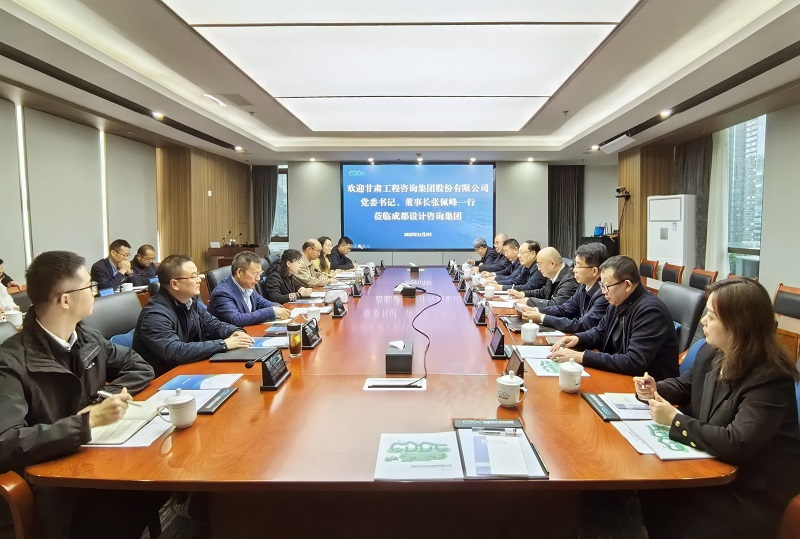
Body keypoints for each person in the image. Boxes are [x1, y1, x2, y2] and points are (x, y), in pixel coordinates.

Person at [0, 250, 162, 539]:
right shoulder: (10, 361)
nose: (94, 292)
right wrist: (87, 422)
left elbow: (138, 365)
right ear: (65, 300)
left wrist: (102, 399)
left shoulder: (86, 336)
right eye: (89, 286)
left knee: (160, 473)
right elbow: (7, 443)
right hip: (54, 483)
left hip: (94, 456)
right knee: (132, 500)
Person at [634, 278, 800, 539]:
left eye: (710, 316)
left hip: (745, 492)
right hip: (706, 467)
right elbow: (686, 385)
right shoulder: (712, 352)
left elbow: (738, 442)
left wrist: (675, 419)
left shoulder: (771, 378)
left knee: (661, 509)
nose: (702, 321)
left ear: (738, 325)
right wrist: (654, 388)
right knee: (639, 494)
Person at [549, 255, 679, 381]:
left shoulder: (650, 311)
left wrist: (581, 356)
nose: (603, 291)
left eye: (606, 286)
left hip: (649, 386)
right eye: (601, 285)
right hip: (623, 375)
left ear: (627, 285)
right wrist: (578, 338)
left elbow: (634, 362)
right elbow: (600, 332)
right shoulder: (617, 302)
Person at [132, 254, 253, 377]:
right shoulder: (154, 315)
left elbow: (212, 324)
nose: (199, 280)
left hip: (190, 368)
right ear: (175, 284)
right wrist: (224, 344)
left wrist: (234, 331)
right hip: (165, 379)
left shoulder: (189, 301)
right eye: (193, 276)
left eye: (198, 274)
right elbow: (175, 351)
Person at [518, 242, 609, 333]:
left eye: (578, 265)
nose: (574, 270)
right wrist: (535, 310)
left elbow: (582, 325)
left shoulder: (604, 294)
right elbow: (564, 309)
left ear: (594, 271)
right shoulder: (583, 286)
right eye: (575, 265)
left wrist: (542, 317)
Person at [208, 251, 290, 326]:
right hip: (231, 336)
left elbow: (263, 303)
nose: (258, 278)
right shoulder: (222, 293)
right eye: (255, 274)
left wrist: (278, 307)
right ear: (240, 272)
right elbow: (236, 319)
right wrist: (272, 311)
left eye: (260, 274)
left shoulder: (247, 286)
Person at [510, 247, 578, 308]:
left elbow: (556, 305)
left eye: (540, 264)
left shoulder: (569, 281)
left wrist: (529, 301)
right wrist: (522, 294)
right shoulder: (552, 274)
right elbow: (543, 292)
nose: (538, 269)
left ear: (552, 264)